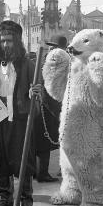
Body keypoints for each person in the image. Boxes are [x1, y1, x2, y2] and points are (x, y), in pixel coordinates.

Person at [0, 20, 42, 206]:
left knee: (22, 158)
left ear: (16, 41)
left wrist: (35, 92)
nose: (6, 45)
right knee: (2, 159)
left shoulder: (27, 64)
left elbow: (37, 91)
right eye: (2, 41)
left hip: (21, 116)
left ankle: (26, 201)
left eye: (9, 41)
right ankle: (5, 198)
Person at [34, 34, 67, 183]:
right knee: (44, 143)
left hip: (49, 106)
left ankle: (44, 171)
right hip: (46, 107)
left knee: (46, 143)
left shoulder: (47, 61)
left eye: (54, 47)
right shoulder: (51, 63)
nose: (52, 50)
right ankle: (41, 172)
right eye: (51, 47)